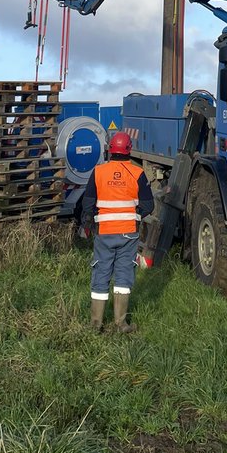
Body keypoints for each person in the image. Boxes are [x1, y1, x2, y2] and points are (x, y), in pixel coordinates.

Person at [81, 131, 154, 333]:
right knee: (123, 274)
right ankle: (121, 324)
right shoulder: (138, 173)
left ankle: (95, 324)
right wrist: (135, 214)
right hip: (128, 233)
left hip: (104, 231)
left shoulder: (98, 172)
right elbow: (149, 205)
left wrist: (93, 218)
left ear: (110, 149)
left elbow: (87, 204)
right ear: (129, 149)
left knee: (101, 272)